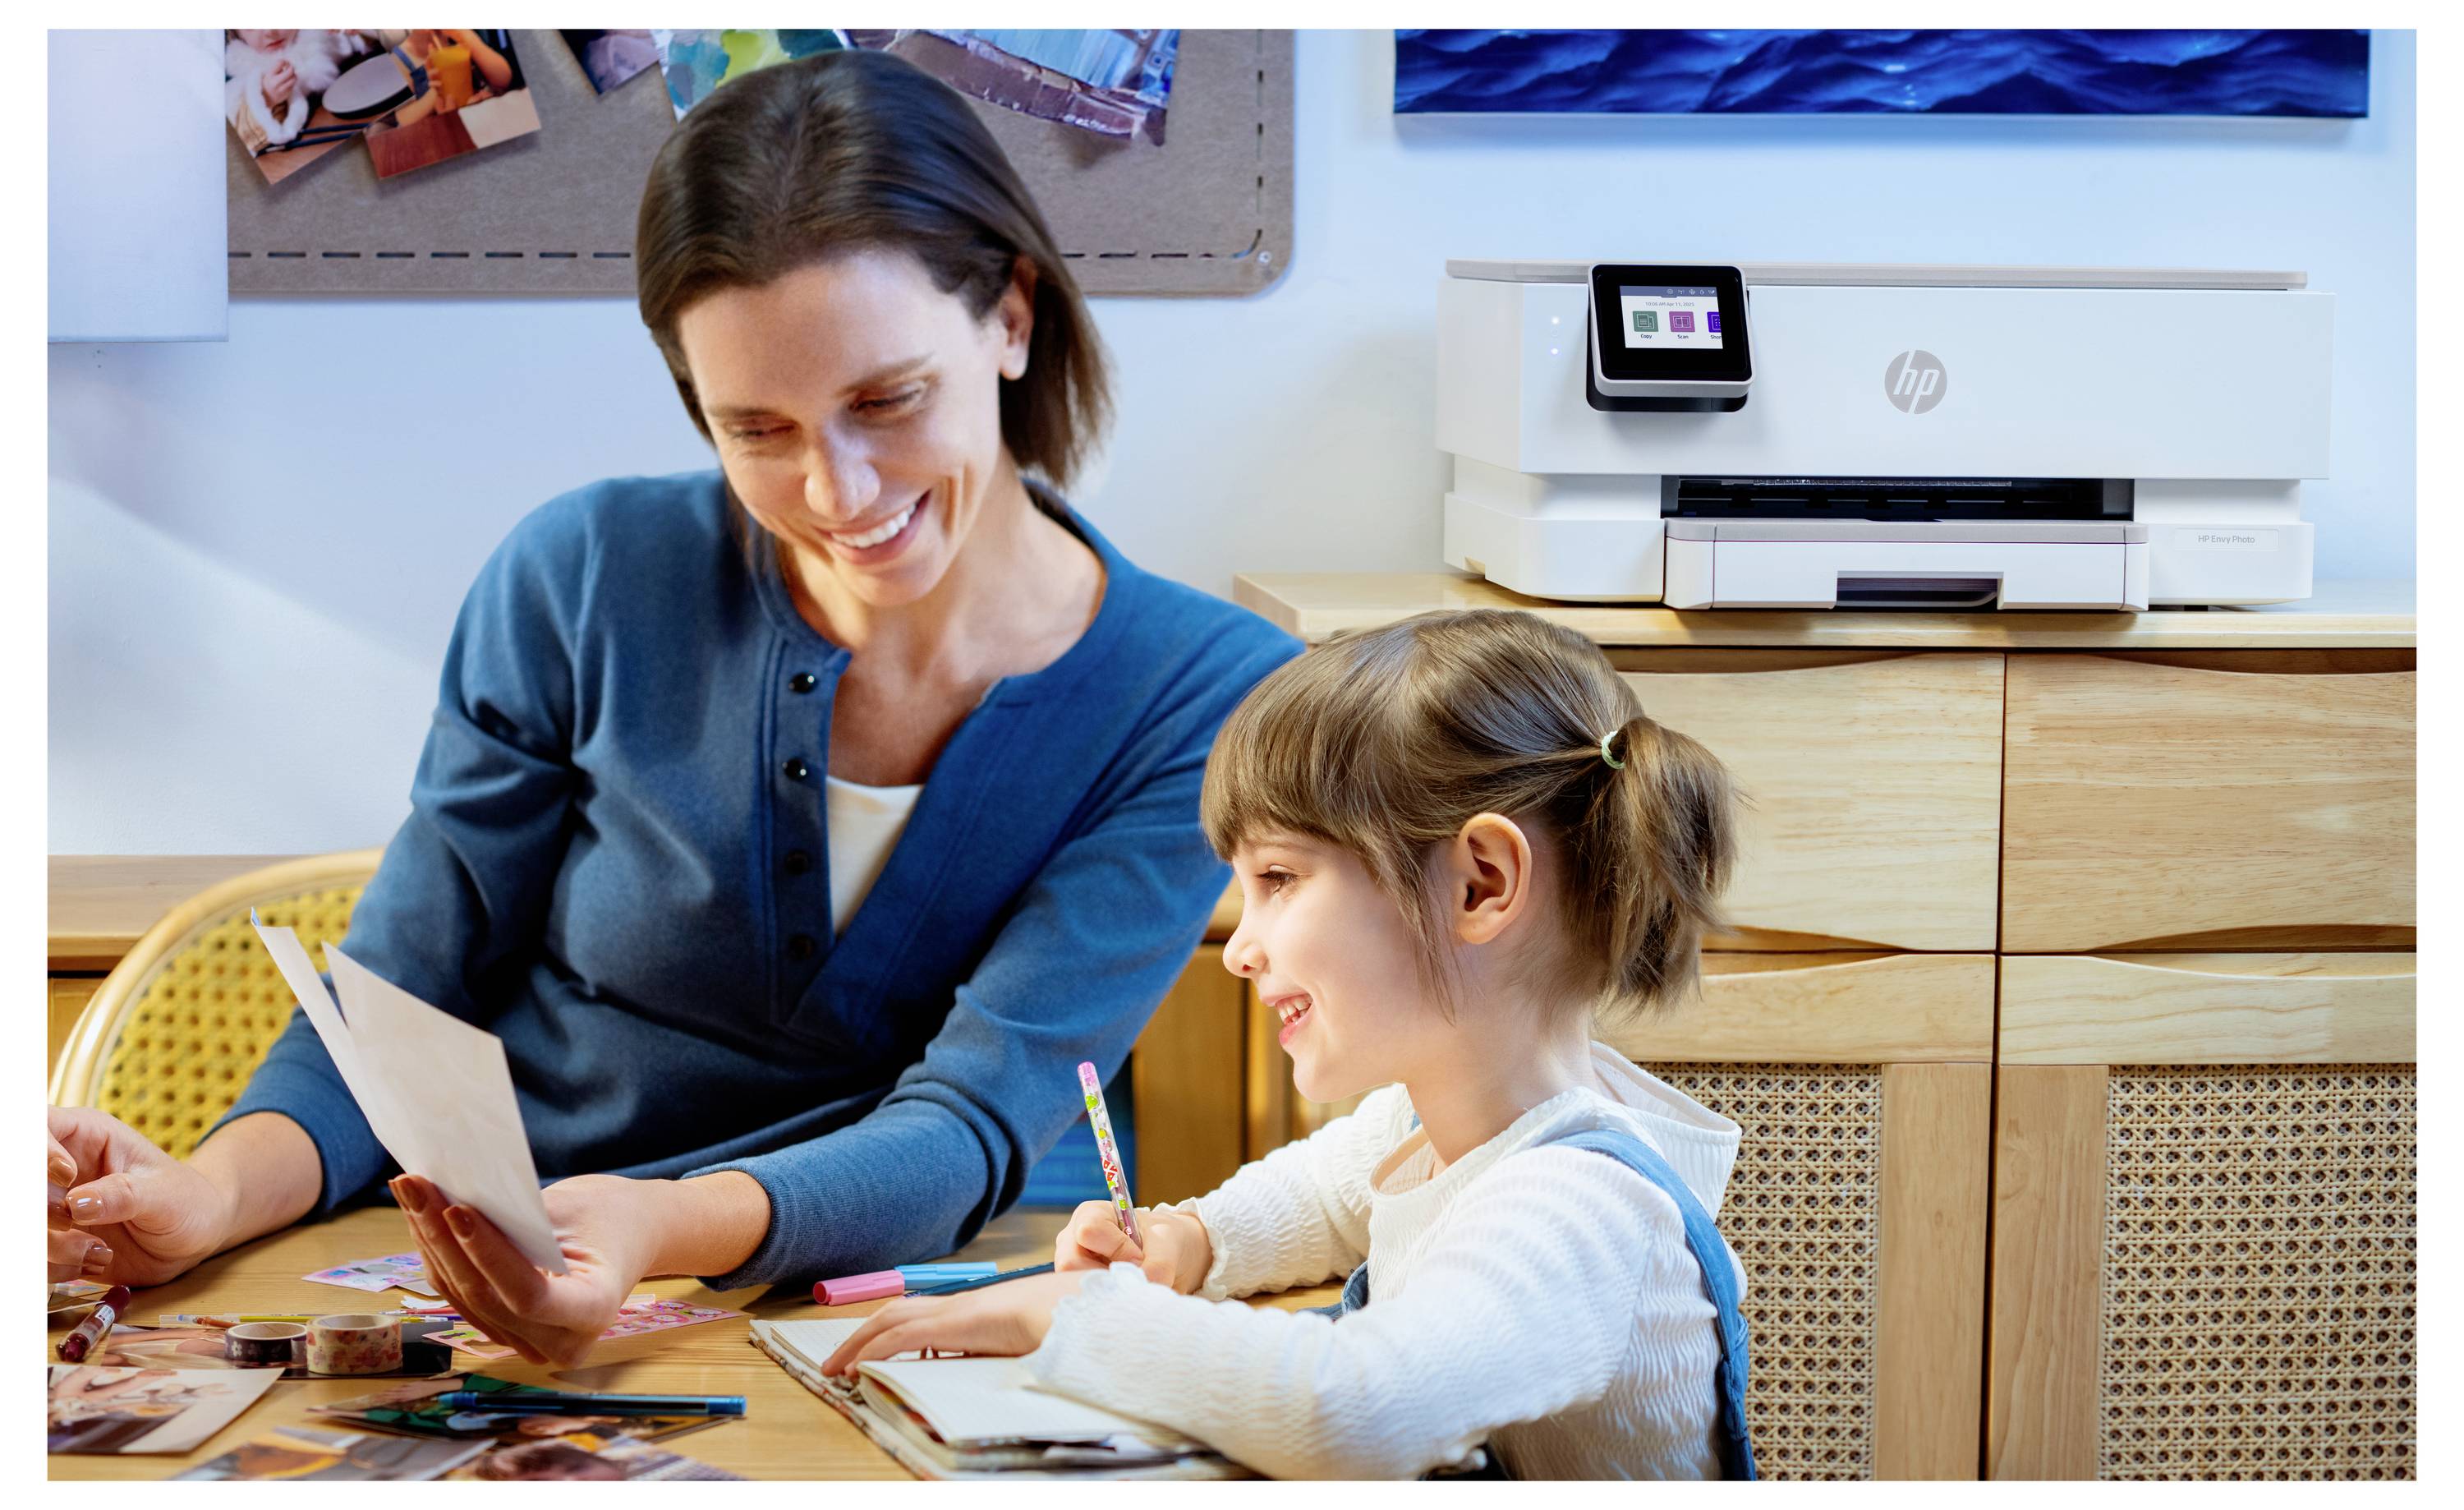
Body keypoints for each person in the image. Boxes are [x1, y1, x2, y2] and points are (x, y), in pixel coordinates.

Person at [45, 48, 1299, 1366]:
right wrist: (210, 1194)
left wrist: (655, 1226)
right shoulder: (581, 572)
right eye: (757, 428)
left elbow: (976, 1122)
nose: (837, 490)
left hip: (888, 1311)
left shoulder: (1197, 695)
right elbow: (402, 1002)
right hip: (480, 1280)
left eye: (888, 400)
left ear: (1011, 318)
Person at [823, 608, 1753, 1479]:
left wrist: (1086, 1319)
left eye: (1279, 876)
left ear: (1479, 884)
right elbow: (1322, 1193)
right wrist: (1191, 1240)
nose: (1240, 948)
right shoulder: (1448, 1120)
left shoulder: (1579, 1208)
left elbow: (1355, 1408)